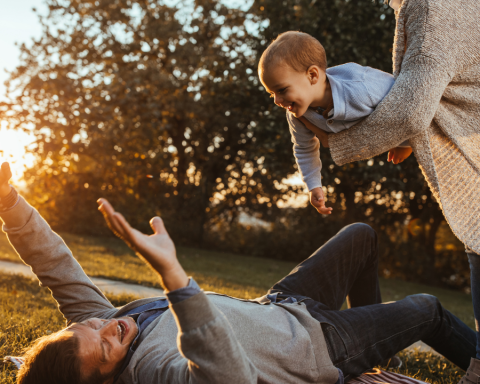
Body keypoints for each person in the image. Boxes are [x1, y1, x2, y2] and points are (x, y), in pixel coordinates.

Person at [0, 160, 475, 384]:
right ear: (105, 380)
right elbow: (226, 378)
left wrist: (9, 204)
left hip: (281, 305)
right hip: (318, 344)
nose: (110, 328)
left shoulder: (106, 323)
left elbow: (55, 267)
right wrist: (175, 279)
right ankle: (368, 351)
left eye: (92, 327)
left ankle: (376, 359)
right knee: (429, 311)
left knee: (361, 235)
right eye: (104, 350)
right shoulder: (153, 371)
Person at [309, 0, 480, 381]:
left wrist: (334, 143)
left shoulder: (429, 7)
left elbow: (409, 108)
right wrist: (407, 130)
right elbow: (414, 87)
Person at [258, 31, 412, 215]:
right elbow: (303, 148)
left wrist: (404, 142)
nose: (276, 100)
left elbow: (405, 105)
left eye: (281, 89)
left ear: (313, 75)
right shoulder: (296, 113)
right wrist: (314, 185)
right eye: (271, 93)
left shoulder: (360, 89)